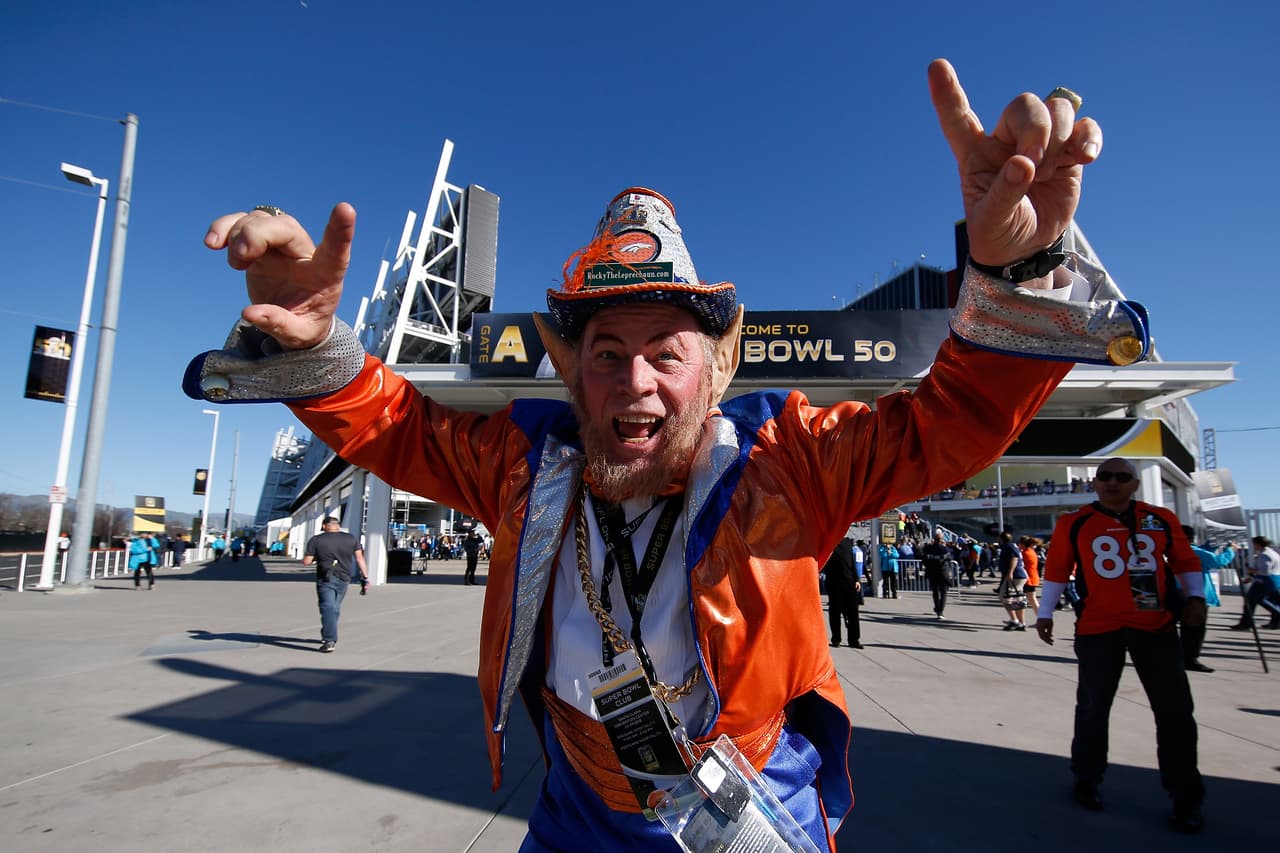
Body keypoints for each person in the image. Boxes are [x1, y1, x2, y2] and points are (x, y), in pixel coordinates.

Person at [186, 61, 1134, 849]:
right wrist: (314, 347)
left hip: (752, 810)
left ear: (717, 364)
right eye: (607, 353)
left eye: (664, 352)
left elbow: (951, 420)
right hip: (577, 812)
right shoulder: (527, 463)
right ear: (571, 369)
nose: (635, 382)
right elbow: (401, 428)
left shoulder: (790, 458)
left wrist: (1011, 273)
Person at [1035, 458, 1206, 833]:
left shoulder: (1159, 518)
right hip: (1100, 627)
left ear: (1134, 484)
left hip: (1156, 625)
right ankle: (1086, 777)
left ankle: (1185, 797)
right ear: (1094, 483)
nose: (1112, 483)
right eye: (1105, 477)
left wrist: (1195, 598)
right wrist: (1045, 612)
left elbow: (1184, 560)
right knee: (1094, 707)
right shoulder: (1074, 522)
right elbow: (1058, 569)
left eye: (1122, 477)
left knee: (1175, 713)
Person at [302, 516, 369, 652]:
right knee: (335, 607)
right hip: (344, 577)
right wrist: (365, 577)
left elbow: (307, 561)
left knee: (327, 607)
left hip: (325, 577)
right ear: (338, 525)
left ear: (324, 526)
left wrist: (318, 557)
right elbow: (359, 558)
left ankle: (329, 640)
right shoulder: (350, 538)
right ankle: (329, 631)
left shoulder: (316, 540)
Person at [1180, 525, 1228, 672]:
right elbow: (1218, 562)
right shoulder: (1195, 552)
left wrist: (1210, 546)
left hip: (1179, 593)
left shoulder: (1174, 551)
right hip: (1196, 596)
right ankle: (1190, 659)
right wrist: (1230, 550)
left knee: (1184, 629)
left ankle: (1182, 657)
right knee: (1195, 630)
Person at [1230, 535, 1280, 630]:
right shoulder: (1273, 553)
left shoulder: (1264, 555)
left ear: (1258, 544)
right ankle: (1275, 621)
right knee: (1273, 600)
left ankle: (1246, 623)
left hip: (1264, 581)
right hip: (1275, 580)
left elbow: (1265, 571)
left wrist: (1251, 571)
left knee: (1251, 601)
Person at [824, 537, 862, 649]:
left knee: (853, 613)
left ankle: (854, 640)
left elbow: (852, 562)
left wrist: (857, 579)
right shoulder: (828, 541)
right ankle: (836, 639)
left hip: (849, 582)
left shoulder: (847, 542)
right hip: (834, 582)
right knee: (835, 613)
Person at [997, 531, 1027, 630]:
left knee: (1005, 597)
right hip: (1019, 575)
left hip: (1015, 576)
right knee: (1017, 599)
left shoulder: (1008, 547)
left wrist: (1010, 573)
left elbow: (1014, 558)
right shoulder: (1012, 546)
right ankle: (1021, 622)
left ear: (1002, 539)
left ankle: (1015, 621)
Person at [920, 531, 950, 619]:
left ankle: (938, 609)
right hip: (943, 573)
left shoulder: (928, 549)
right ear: (941, 540)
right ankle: (940, 610)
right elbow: (950, 558)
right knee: (943, 592)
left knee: (935, 592)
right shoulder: (945, 549)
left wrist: (928, 566)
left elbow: (924, 559)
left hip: (932, 572)